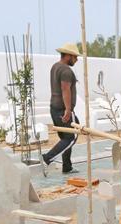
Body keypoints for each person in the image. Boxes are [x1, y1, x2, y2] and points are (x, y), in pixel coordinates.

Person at [42, 42, 81, 176]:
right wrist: (68, 110)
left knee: (66, 137)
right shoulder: (66, 71)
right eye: (75, 57)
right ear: (68, 56)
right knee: (72, 137)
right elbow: (65, 90)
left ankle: (67, 166)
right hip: (63, 109)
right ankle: (46, 159)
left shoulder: (55, 67)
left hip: (54, 107)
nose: (77, 59)